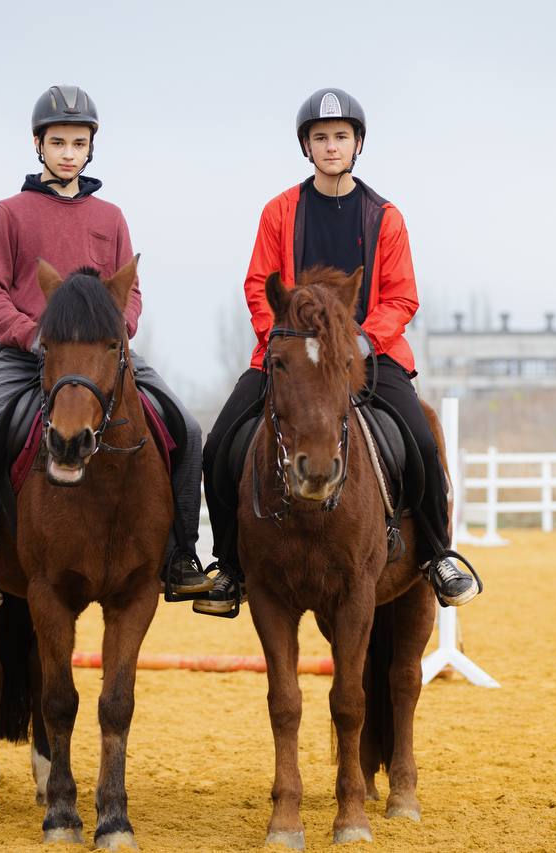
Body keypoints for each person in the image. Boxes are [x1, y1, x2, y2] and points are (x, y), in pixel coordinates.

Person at [197, 87, 480, 617]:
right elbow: (260, 283)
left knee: (419, 439)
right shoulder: (279, 212)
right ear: (307, 147)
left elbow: (402, 295)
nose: (331, 147)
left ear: (357, 145)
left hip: (368, 354)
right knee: (218, 446)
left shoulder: (385, 217)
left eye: (341, 137)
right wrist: (279, 338)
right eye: (321, 138)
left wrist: (361, 341)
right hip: (287, 356)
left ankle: (438, 556)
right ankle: (229, 566)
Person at [0, 84, 211, 621]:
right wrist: (31, 334)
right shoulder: (9, 213)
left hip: (105, 357)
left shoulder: (110, 216)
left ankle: (181, 556)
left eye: (79, 142)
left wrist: (121, 328)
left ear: (92, 147)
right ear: (38, 145)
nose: (69, 152)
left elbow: (129, 290)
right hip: (27, 357)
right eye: (58, 141)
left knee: (190, 430)